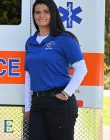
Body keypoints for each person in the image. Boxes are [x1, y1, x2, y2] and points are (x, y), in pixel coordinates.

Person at [24, 0, 87, 139]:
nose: (41, 15)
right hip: (37, 104)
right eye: (37, 12)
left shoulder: (64, 39)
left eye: (46, 12)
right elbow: (29, 75)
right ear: (34, 15)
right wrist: (28, 107)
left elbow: (82, 68)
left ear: (53, 14)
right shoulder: (30, 42)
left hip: (59, 103)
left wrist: (65, 94)